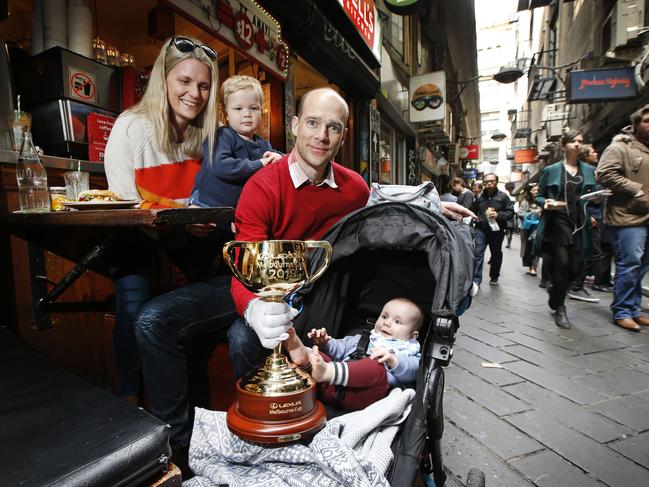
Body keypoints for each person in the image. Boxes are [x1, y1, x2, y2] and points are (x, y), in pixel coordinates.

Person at [227, 87, 477, 380]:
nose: (322, 135)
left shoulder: (355, 188)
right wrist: (254, 308)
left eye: (333, 127)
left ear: (343, 137)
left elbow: (382, 213)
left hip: (330, 293)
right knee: (242, 338)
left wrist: (434, 208)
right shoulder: (262, 186)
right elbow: (246, 264)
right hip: (277, 297)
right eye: (312, 123)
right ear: (295, 125)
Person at [103, 36, 220, 407]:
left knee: (217, 285)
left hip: (185, 238)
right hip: (136, 233)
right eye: (184, 82)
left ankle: (200, 394)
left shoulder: (208, 135)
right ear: (164, 80)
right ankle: (128, 397)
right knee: (132, 302)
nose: (195, 94)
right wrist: (183, 222)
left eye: (203, 85)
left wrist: (198, 221)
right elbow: (124, 203)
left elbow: (209, 198)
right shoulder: (132, 126)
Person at [283, 297, 423, 411]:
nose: (387, 323)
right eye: (384, 316)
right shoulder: (362, 338)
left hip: (370, 398)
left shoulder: (409, 354)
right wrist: (325, 343)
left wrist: (393, 360)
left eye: (397, 321)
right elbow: (339, 349)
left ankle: (327, 370)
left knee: (376, 367)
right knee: (320, 357)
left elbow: (412, 370)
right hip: (333, 388)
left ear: (413, 335)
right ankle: (305, 358)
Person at [533, 129, 596, 329]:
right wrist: (547, 203)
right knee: (562, 262)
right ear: (563, 146)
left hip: (580, 222)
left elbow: (592, 197)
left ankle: (556, 291)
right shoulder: (551, 170)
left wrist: (594, 206)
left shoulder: (588, 170)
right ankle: (560, 308)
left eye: (580, 141)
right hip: (558, 221)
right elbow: (539, 195)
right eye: (573, 141)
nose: (577, 144)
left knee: (576, 267)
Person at [189, 75, 283, 208]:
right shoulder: (222, 136)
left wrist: (279, 158)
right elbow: (221, 166)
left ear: (261, 110)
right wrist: (260, 163)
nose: (247, 114)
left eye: (253, 108)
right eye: (238, 109)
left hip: (235, 210)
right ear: (226, 113)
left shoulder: (263, 144)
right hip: (207, 202)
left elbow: (284, 161)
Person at [596, 105, 649, 332]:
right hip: (627, 217)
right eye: (647, 121)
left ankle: (634, 309)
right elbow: (605, 173)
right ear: (636, 124)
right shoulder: (620, 147)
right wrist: (634, 189)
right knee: (629, 264)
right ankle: (623, 310)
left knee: (642, 265)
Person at [567, 144, 603, 303]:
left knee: (589, 251)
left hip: (591, 215)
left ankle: (576, 283)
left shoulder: (589, 171)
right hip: (587, 216)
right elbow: (578, 198)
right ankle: (575, 285)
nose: (596, 153)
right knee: (591, 251)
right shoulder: (584, 173)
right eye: (593, 151)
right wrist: (588, 215)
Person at [472, 173, 514, 286]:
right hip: (481, 230)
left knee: (496, 254)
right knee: (477, 253)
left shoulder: (503, 197)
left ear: (496, 182)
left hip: (497, 231)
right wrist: (477, 219)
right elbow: (474, 211)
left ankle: (494, 276)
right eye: (486, 181)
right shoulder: (480, 197)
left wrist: (498, 215)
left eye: (492, 181)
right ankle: (476, 280)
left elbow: (510, 212)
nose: (489, 183)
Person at [518, 184, 541, 276]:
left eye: (537, 190)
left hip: (538, 227)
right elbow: (521, 213)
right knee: (527, 247)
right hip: (526, 228)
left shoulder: (542, 201)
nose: (536, 192)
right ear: (529, 191)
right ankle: (529, 265)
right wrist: (532, 213)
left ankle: (534, 267)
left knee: (536, 246)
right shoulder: (525, 202)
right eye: (534, 190)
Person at [503, 181, 517, 248]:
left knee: (507, 230)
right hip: (512, 216)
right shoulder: (514, 196)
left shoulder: (505, 195)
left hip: (506, 215)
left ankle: (508, 242)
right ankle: (509, 242)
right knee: (510, 231)